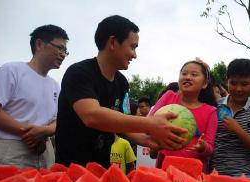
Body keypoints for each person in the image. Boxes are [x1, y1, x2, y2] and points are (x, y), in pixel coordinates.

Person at [55, 15, 186, 168]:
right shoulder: (79, 73)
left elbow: (122, 125)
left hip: (103, 168)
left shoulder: (122, 83)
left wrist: (149, 141)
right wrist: (150, 123)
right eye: (133, 47)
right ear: (112, 42)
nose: (135, 55)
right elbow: (91, 115)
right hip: (70, 168)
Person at [0, 25, 69, 168]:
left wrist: (43, 132)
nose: (63, 54)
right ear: (39, 44)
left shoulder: (55, 85)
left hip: (45, 150)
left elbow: (58, 120)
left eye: (65, 51)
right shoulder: (11, 70)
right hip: (12, 149)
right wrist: (32, 134)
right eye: (59, 48)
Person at [149, 60, 218, 172]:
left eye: (194, 74)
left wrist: (203, 147)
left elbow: (210, 149)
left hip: (194, 173)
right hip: (165, 169)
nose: (188, 77)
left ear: (205, 83)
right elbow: (150, 122)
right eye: (184, 74)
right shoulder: (168, 97)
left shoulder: (211, 111)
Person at [209, 59, 250, 177]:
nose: (239, 89)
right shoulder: (215, 106)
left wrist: (238, 131)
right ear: (227, 81)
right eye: (234, 83)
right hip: (214, 175)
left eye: (245, 84)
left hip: (245, 177)